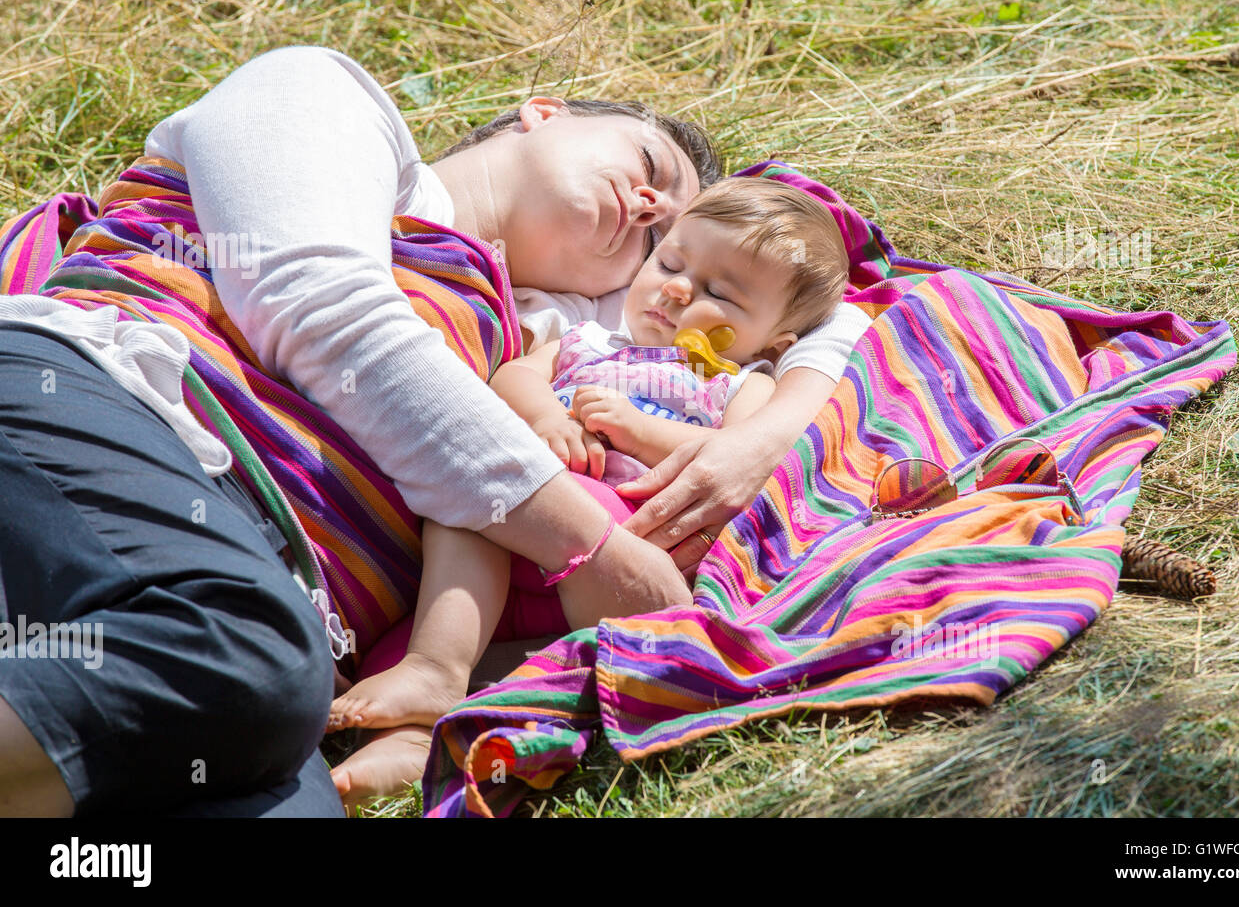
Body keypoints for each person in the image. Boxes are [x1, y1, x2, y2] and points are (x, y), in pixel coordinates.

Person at [0, 44, 865, 815]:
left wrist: (764, 431)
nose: (646, 207)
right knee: (236, 652)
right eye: (648, 166)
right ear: (544, 113)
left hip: (259, 647)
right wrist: (589, 546)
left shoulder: (528, 335)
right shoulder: (325, 99)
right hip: (104, 411)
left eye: (659, 236)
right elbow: (317, 302)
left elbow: (838, 304)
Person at [326, 177, 851, 736]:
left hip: (624, 540)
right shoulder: (588, 340)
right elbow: (514, 375)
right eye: (670, 264)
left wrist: (637, 430)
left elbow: (728, 458)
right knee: (418, 603)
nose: (676, 290)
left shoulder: (743, 384)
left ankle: (442, 672)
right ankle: (412, 730)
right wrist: (548, 418)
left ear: (773, 342)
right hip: (509, 551)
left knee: (491, 498)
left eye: (719, 294)